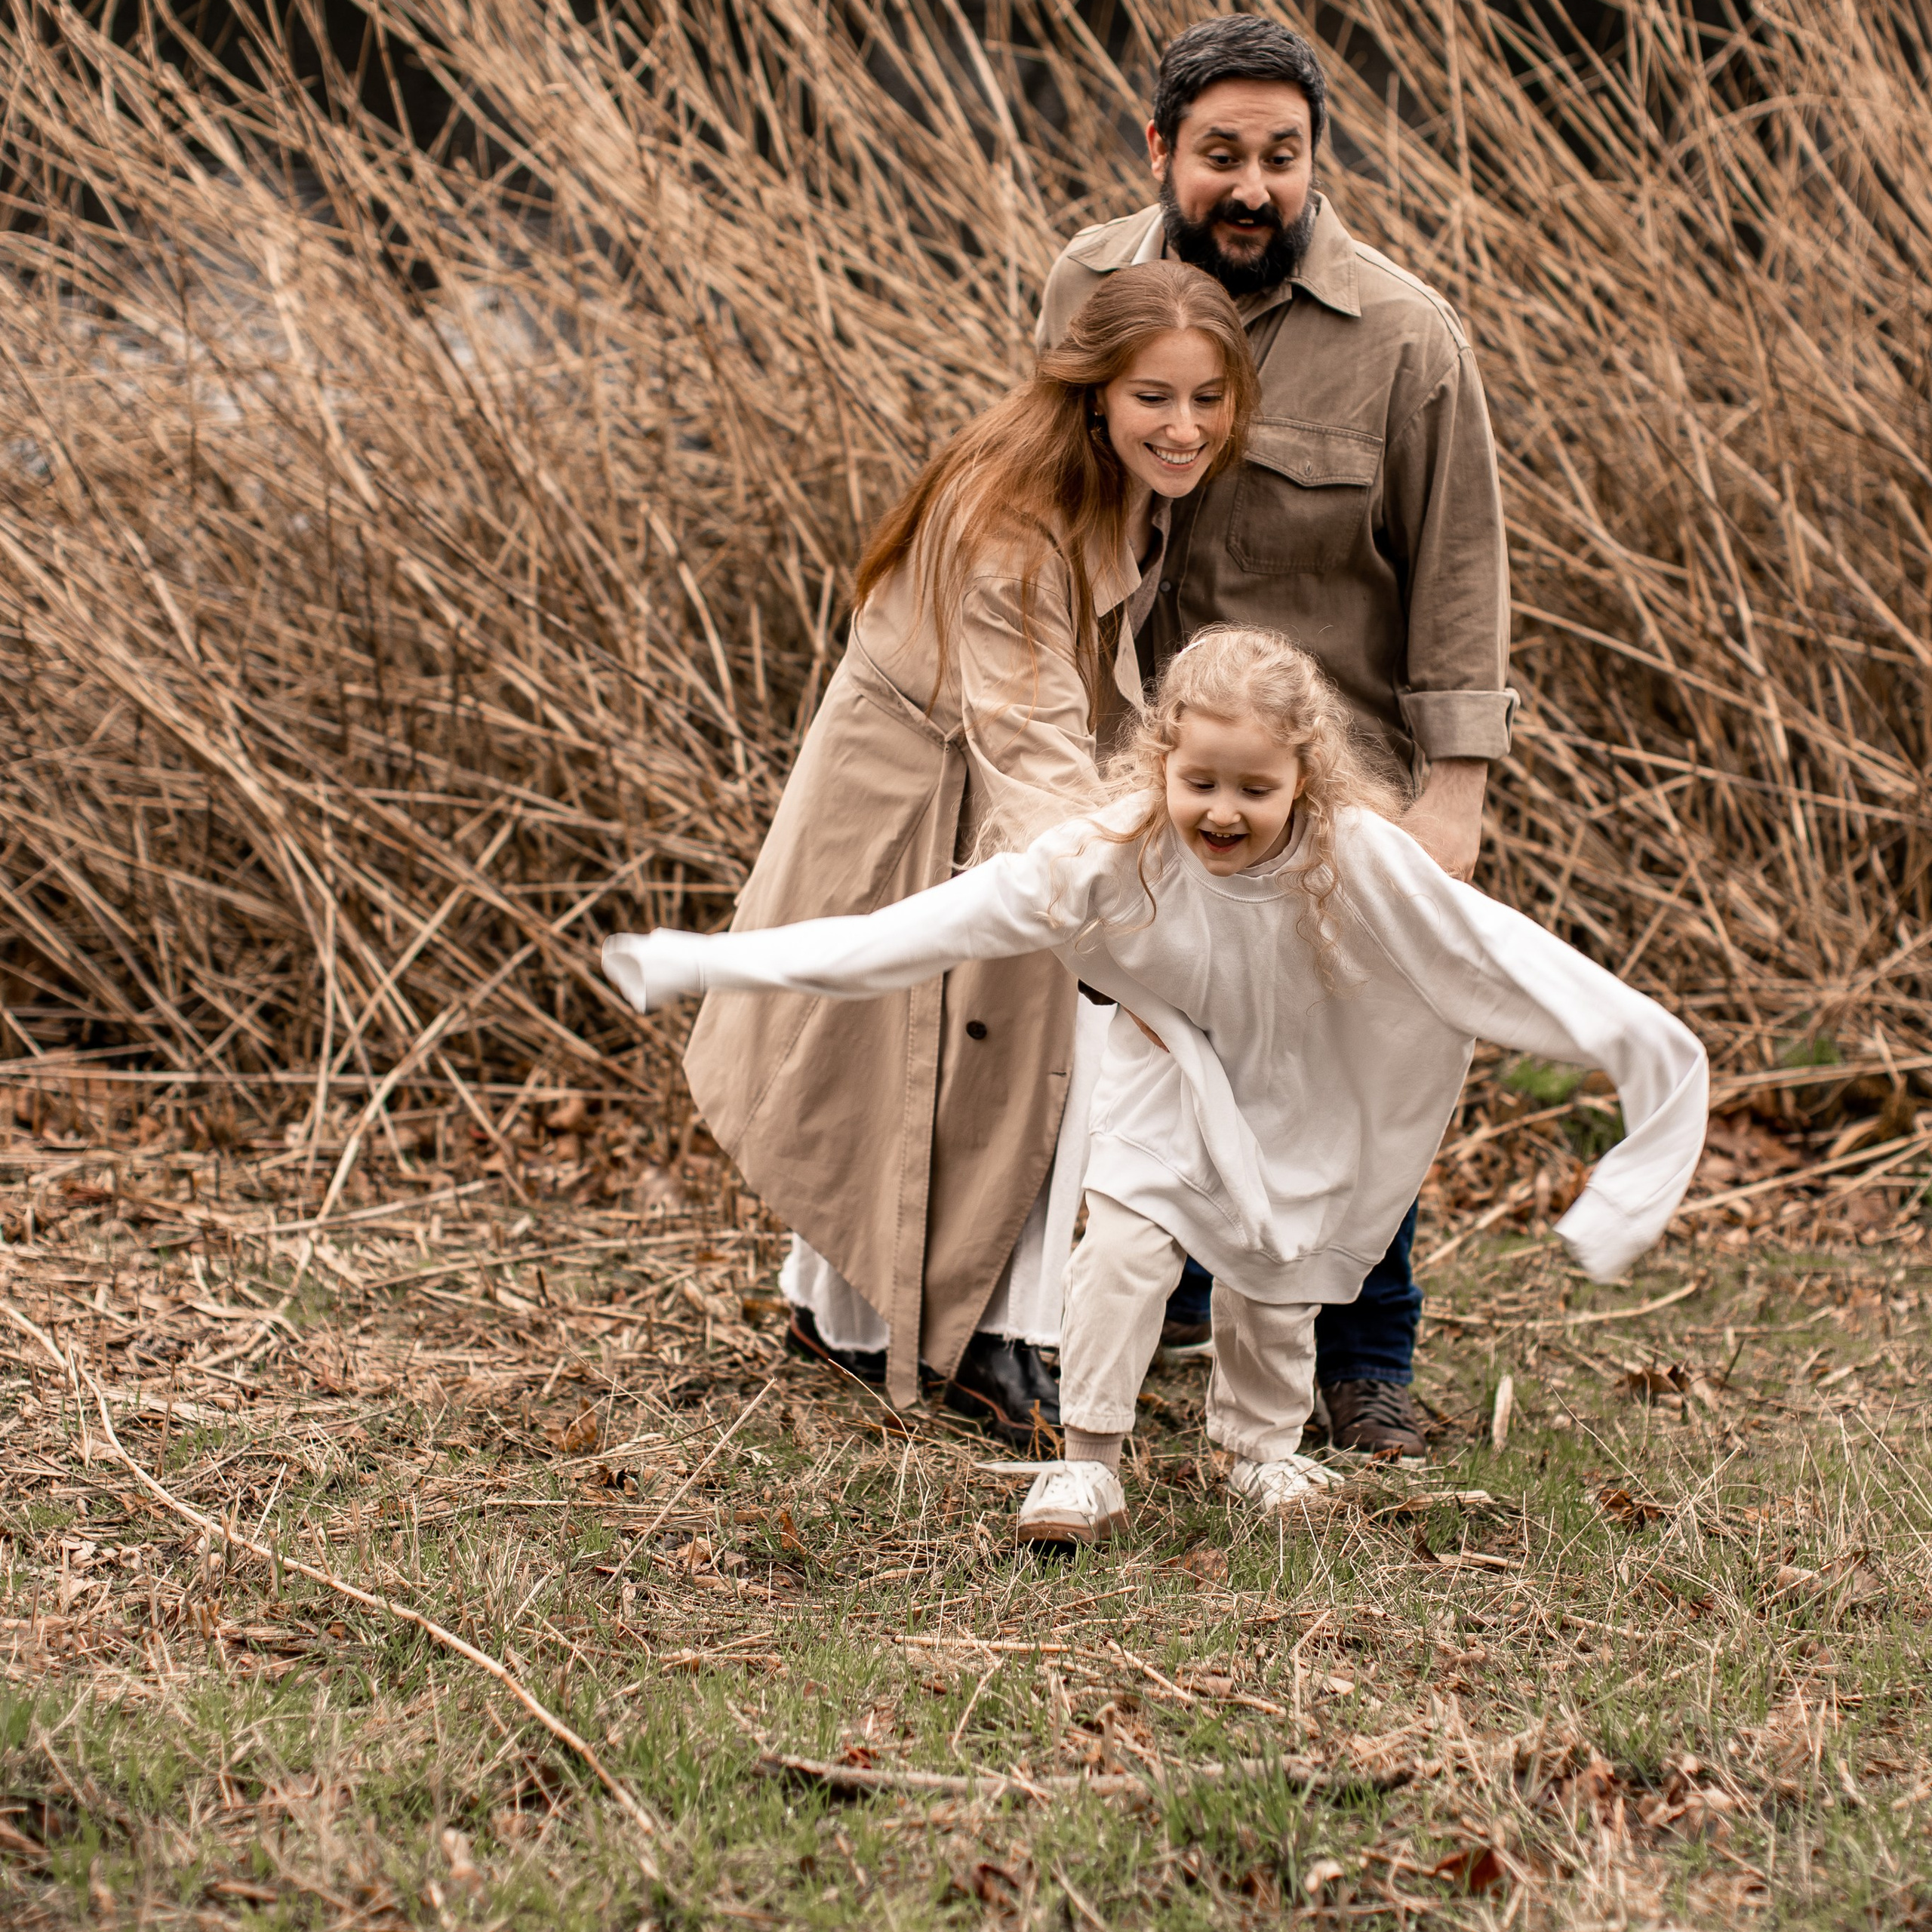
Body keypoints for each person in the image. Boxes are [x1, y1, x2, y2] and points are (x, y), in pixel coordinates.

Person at [604, 626, 1708, 1542]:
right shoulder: (1111, 852)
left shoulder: (1358, 858)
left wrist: (1646, 1053)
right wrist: (709, 963)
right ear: (1161, 763)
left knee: (1277, 1275)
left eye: (1256, 789)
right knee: (1125, 1253)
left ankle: (1258, 1449)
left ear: (1307, 779)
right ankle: (1088, 1459)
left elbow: (1499, 958)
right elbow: (920, 932)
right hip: (1165, 1080)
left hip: (1301, 1087)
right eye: (1200, 783)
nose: (1223, 812)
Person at [1034, 17, 1518, 1457]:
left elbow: (1461, 571)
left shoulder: (1406, 336)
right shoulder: (1087, 286)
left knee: (1346, 1064)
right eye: (1222, 154)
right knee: (1158, 1027)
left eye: (1284, 155)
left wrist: (1453, 794)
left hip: (1333, 782)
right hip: (1150, 776)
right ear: (1160, 150)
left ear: (1317, 158)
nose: (1254, 187)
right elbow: (1050, 507)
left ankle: (1365, 1363)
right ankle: (1177, 1305)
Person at [678, 261, 1259, 1436]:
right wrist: (1111, 913)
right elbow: (1027, 733)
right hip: (910, 785)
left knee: (947, 1047)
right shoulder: (1011, 514)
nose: (1185, 426)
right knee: (985, 1039)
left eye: (1209, 399)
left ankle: (841, 1317)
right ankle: (1001, 1338)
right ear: (1094, 390)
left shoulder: (1125, 476)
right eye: (1154, 397)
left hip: (986, 761)